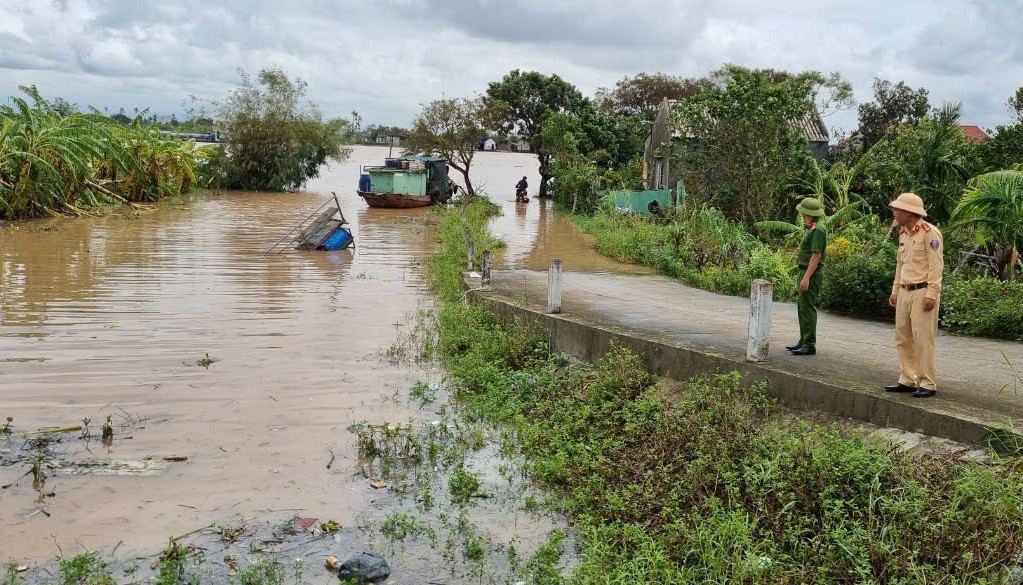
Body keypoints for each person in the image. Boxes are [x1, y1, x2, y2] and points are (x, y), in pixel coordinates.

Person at [884, 192, 944, 398]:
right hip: (905, 291)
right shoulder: (903, 233)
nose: (895, 212)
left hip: (922, 291)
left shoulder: (930, 233)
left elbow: (936, 267)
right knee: (903, 336)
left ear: (910, 212)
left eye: (898, 209)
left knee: (923, 339)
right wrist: (895, 290)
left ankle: (927, 382)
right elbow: (900, 265)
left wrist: (932, 294)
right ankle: (908, 378)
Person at [786, 198, 827, 356]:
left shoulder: (818, 230)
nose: (801, 214)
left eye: (804, 212)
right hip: (804, 270)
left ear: (809, 213)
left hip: (812, 273)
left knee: (807, 308)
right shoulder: (811, 228)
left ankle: (809, 343)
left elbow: (816, 256)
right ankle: (803, 340)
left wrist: (806, 278)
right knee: (801, 307)